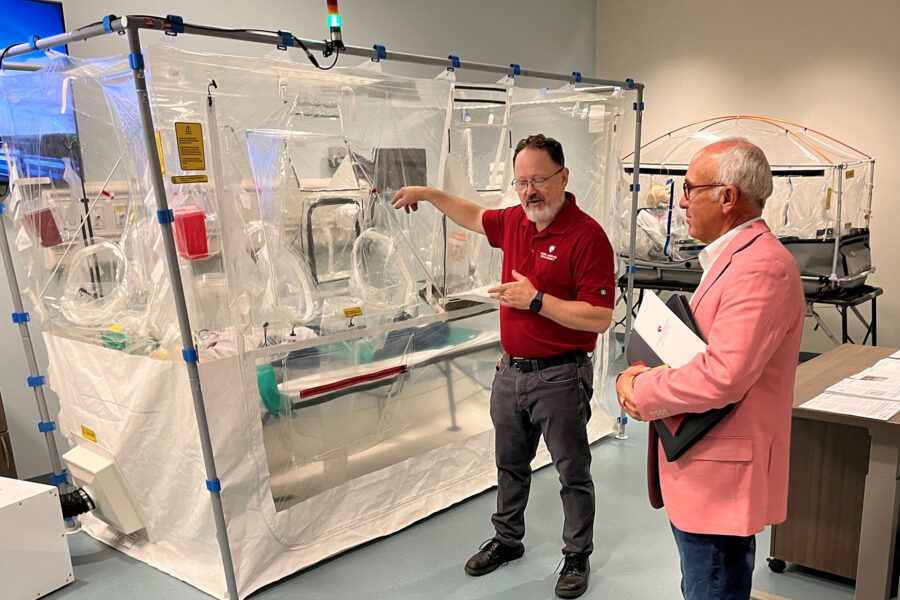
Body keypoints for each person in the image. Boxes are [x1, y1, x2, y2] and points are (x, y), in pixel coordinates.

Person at [392, 134, 615, 599]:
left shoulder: (587, 236)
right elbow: (473, 214)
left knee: (572, 471)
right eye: (520, 182)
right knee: (510, 465)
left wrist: (537, 301)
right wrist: (428, 194)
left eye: (538, 180)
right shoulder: (514, 221)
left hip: (561, 376)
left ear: (563, 177)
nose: (529, 191)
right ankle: (508, 540)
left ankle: (576, 555)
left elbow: (599, 316)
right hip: (510, 373)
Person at [616, 139, 806, 600]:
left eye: (689, 188)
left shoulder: (762, 268)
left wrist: (642, 389)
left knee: (712, 586)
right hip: (703, 463)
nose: (681, 201)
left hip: (720, 478)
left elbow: (723, 374)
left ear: (726, 197)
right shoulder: (733, 260)